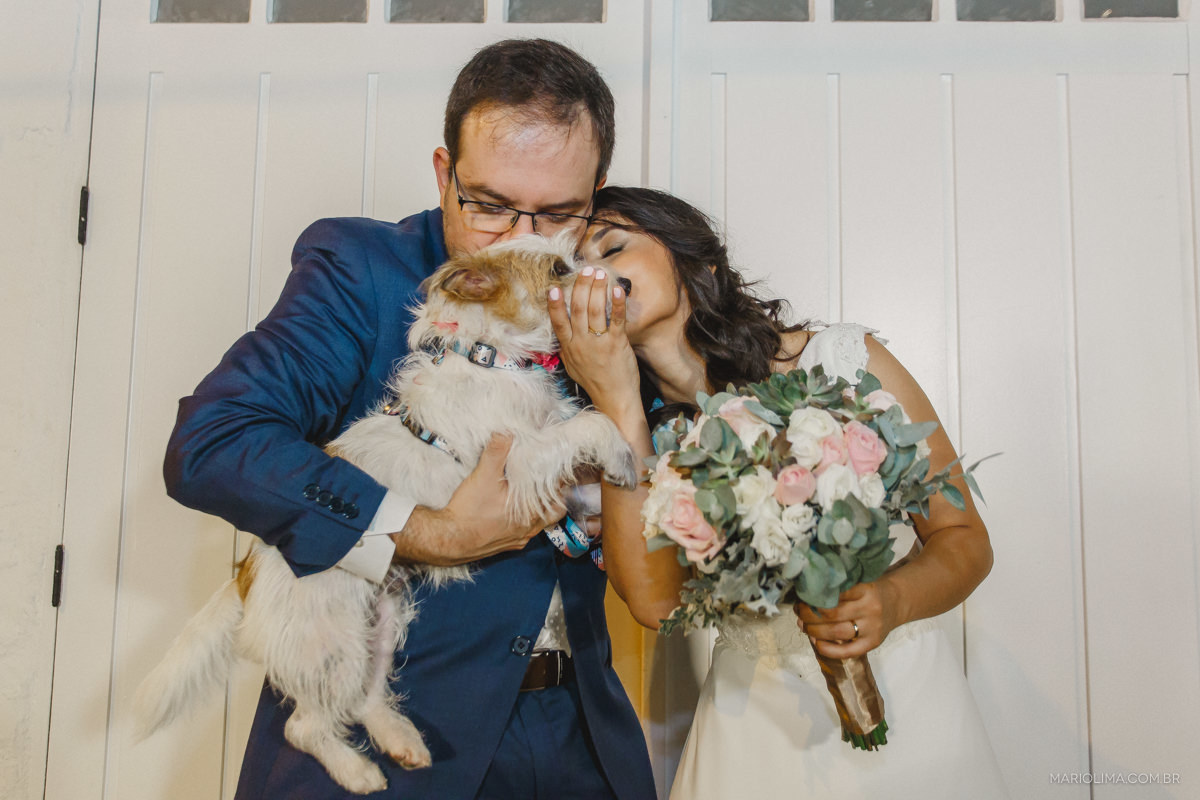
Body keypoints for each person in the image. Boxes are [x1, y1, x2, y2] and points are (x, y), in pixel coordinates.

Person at [163, 40, 656, 800]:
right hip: (390, 725)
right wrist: (426, 532)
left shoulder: (613, 285)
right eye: (489, 205)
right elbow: (215, 443)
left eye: (557, 213)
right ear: (443, 174)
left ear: (595, 195)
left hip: (576, 742)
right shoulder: (361, 269)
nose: (522, 235)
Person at [550, 186, 1009, 799]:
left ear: (699, 264)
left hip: (907, 701)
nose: (593, 276)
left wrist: (892, 600)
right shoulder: (630, 438)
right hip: (754, 730)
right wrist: (618, 404)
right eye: (575, 269)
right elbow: (657, 607)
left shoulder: (844, 361)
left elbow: (964, 540)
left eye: (611, 248)